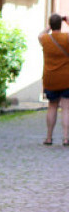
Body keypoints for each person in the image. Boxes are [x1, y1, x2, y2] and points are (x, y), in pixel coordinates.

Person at [38, 13, 69, 146]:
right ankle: (66, 138)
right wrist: (67, 22)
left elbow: (40, 34)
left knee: (52, 107)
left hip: (50, 78)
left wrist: (49, 26)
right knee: (66, 108)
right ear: (61, 25)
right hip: (66, 78)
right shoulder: (66, 38)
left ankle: (49, 137)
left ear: (51, 25)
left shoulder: (45, 39)